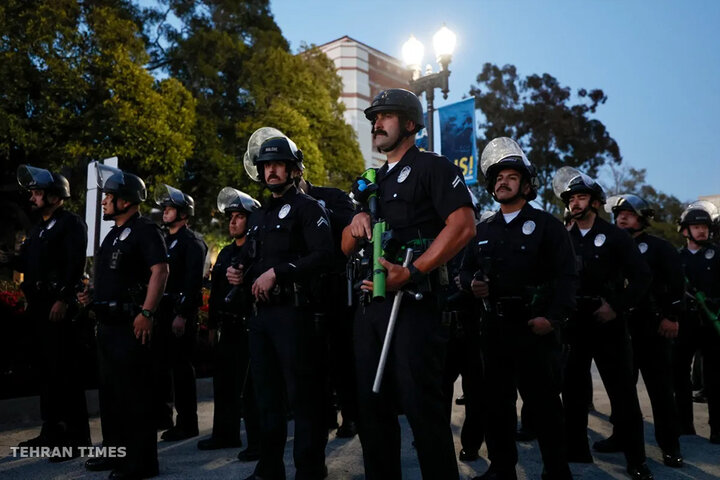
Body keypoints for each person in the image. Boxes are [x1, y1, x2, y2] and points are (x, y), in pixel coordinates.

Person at [342, 88, 475, 479]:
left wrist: (413, 271)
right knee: (371, 416)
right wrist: (355, 224)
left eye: (385, 116)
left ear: (411, 124)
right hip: (370, 311)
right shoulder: (369, 183)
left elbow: (463, 225)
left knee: (424, 416)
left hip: (415, 308)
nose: (376, 123)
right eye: (373, 118)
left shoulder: (433, 168)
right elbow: (344, 247)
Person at [458, 138, 575, 480]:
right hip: (494, 330)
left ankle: (557, 470)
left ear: (526, 184)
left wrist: (552, 318)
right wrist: (470, 284)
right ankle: (502, 468)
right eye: (497, 178)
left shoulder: (547, 226)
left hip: (535, 329)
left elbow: (567, 277)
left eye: (511, 176)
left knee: (545, 407)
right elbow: (464, 272)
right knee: (497, 406)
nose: (502, 182)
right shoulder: (482, 230)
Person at [237, 134, 333, 480]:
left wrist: (277, 272)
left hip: (296, 314)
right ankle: (269, 467)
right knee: (266, 397)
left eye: (278, 164)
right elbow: (254, 261)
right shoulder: (259, 216)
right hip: (263, 317)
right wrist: (243, 274)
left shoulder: (309, 208)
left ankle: (309, 469)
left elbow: (324, 256)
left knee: (304, 397)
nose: (271, 170)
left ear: (293, 170)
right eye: (266, 166)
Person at [552, 167, 653, 480]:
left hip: (608, 323)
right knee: (573, 391)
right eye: (572, 199)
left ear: (594, 202)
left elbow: (642, 277)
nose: (576, 203)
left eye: (582, 197)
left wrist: (617, 306)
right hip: (573, 325)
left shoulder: (615, 236)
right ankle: (576, 449)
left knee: (623, 393)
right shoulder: (562, 237)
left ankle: (637, 460)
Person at [79, 164, 168, 479]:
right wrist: (92, 296)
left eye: (110, 197)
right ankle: (116, 452)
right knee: (112, 396)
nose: (104, 202)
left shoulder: (145, 230)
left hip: (131, 325)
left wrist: (146, 312)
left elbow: (160, 271)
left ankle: (141, 463)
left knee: (134, 397)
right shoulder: (113, 234)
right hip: (108, 325)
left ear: (127, 201)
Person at [590, 194, 684, 467]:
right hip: (619, 329)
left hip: (652, 329)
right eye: (619, 214)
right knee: (621, 391)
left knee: (661, 390)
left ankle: (670, 445)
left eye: (629, 214)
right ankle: (621, 436)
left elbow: (676, 285)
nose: (622, 218)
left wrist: (671, 316)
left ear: (642, 218)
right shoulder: (609, 244)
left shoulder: (660, 248)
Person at [10, 165, 90, 461]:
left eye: (38, 192)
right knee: (46, 372)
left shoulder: (70, 224)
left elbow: (74, 264)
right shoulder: (38, 228)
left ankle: (76, 438)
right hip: (39, 308)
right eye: (32, 192)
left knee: (66, 372)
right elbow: (28, 264)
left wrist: (63, 299)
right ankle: (51, 431)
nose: (32, 197)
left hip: (58, 307)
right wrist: (9, 259)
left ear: (56, 196)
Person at [197, 187, 261, 462]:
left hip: (250, 326)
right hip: (227, 328)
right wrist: (212, 325)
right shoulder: (223, 254)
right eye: (230, 217)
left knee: (251, 389)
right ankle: (225, 433)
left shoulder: (256, 250)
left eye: (239, 217)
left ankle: (257, 443)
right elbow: (216, 292)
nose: (232, 221)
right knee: (223, 383)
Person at [298, 175, 359, 438]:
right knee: (312, 358)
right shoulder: (283, 205)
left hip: (336, 286)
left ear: (299, 173)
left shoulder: (333, 196)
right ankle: (325, 414)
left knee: (342, 356)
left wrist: (315, 207)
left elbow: (349, 227)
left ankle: (351, 416)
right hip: (305, 289)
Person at [153, 184, 208, 441]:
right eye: (164, 207)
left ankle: (188, 423)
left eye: (171, 208)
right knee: (161, 365)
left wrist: (183, 314)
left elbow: (192, 282)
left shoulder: (192, 242)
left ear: (184, 213)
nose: (165, 211)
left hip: (179, 312)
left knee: (182, 369)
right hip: (161, 312)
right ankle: (162, 416)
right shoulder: (163, 239)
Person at [673, 201, 720, 444]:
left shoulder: (717, 253)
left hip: (712, 324)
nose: (702, 231)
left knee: (714, 377)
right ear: (684, 231)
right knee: (680, 374)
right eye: (696, 226)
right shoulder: (675, 257)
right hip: (683, 323)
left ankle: (717, 428)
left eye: (704, 227)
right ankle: (685, 424)